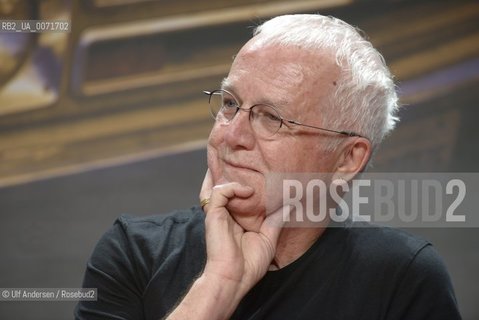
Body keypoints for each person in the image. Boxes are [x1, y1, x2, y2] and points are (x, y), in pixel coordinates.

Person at [75, 14, 461, 320]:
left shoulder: (400, 279)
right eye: (229, 104)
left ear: (347, 158)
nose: (231, 135)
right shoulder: (135, 252)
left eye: (272, 118)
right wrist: (217, 287)